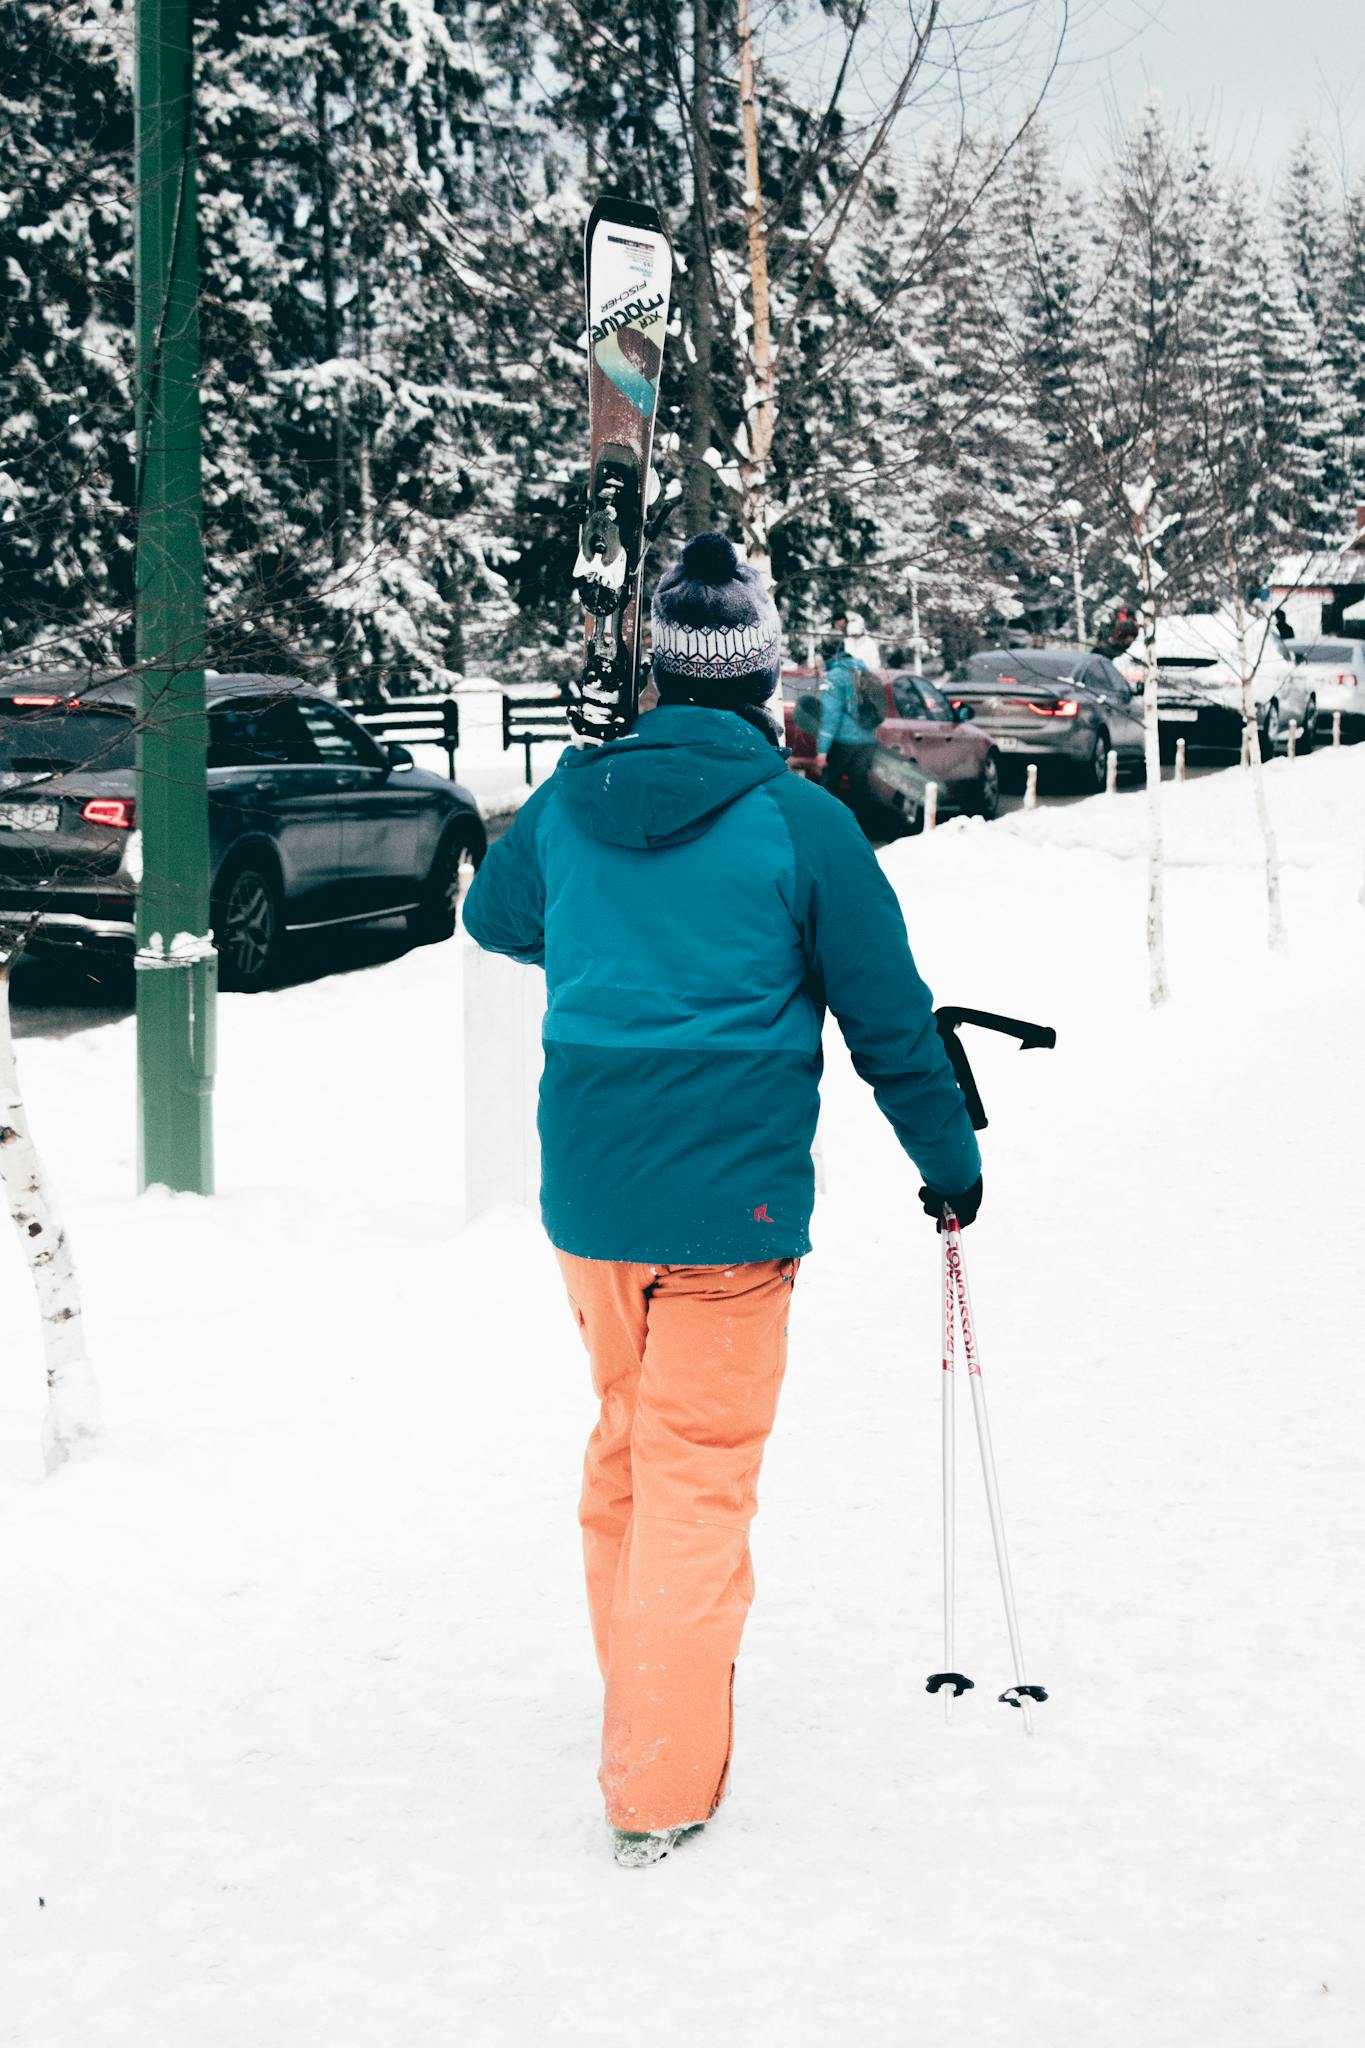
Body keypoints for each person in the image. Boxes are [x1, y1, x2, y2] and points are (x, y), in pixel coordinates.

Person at [462, 531, 983, 1869]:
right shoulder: (799, 821)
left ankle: (644, 1693)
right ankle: (654, 1781)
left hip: (589, 1196)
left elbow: (503, 919)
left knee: (628, 1457)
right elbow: (887, 1016)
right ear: (758, 682)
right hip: (729, 1212)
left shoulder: (577, 797)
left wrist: (592, 827)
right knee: (694, 1485)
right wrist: (948, 1156)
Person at [817, 633, 880, 826]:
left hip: (844, 741)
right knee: (859, 787)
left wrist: (822, 750)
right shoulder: (860, 669)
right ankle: (866, 828)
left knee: (829, 787)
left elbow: (831, 715)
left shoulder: (836, 676)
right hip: (867, 739)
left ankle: (830, 827)